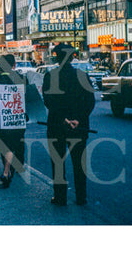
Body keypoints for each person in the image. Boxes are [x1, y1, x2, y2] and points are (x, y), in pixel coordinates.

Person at [42, 43, 96, 206]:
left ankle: (60, 197)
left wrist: (63, 119)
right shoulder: (82, 76)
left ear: (57, 57)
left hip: (57, 126)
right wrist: (77, 119)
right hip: (79, 127)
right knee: (79, 164)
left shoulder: (50, 76)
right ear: (72, 57)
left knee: (58, 163)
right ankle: (81, 197)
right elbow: (89, 101)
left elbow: (48, 101)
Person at [0, 54, 28, 188]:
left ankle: (6, 169)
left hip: (2, 117)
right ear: (14, 65)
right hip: (17, 117)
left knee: (4, 144)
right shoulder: (21, 78)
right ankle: (13, 167)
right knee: (17, 142)